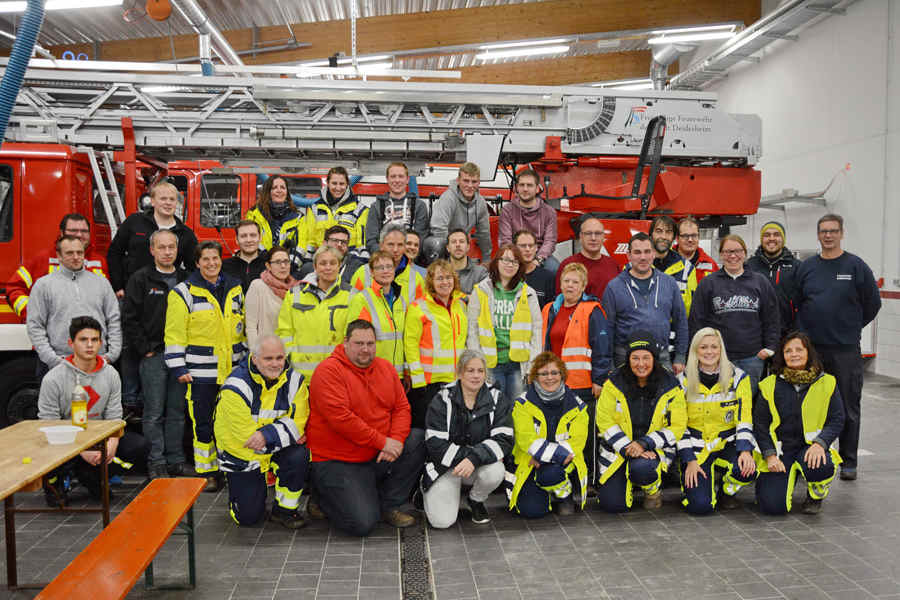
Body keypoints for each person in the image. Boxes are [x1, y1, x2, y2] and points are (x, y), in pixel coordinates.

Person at [307, 320, 425, 536]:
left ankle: (389, 504)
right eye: (359, 343)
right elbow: (342, 420)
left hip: (376, 454)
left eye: (370, 343)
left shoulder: (385, 368)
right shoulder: (328, 372)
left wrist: (396, 440)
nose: (365, 349)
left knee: (417, 439)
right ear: (345, 343)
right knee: (362, 524)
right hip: (339, 460)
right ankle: (323, 497)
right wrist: (383, 442)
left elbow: (401, 408)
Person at [795, 214, 880, 481]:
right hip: (813, 351)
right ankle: (806, 456)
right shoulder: (807, 268)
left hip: (845, 350)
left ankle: (849, 461)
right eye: (823, 231)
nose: (828, 235)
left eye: (833, 231)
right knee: (807, 405)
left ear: (841, 233)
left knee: (847, 405)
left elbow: (872, 304)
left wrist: (851, 327)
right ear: (818, 235)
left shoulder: (856, 266)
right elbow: (796, 302)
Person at [38, 316, 148, 506]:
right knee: (44, 450)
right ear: (71, 343)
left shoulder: (111, 375)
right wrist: (80, 449)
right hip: (64, 442)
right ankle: (55, 485)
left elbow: (114, 417)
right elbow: (49, 424)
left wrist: (112, 444)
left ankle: (93, 478)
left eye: (94, 340)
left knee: (139, 446)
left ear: (100, 343)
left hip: (98, 439)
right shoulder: (53, 379)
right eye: (83, 340)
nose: (89, 345)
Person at [164, 241, 246, 492]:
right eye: (206, 259)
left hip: (233, 371)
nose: (211, 263)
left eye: (215, 258)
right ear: (197, 263)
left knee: (231, 422)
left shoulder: (235, 288)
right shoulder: (183, 292)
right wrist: (178, 367)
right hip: (200, 373)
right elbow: (174, 334)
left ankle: (230, 468)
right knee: (202, 424)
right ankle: (207, 471)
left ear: (222, 260)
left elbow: (240, 330)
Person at [215, 335, 310, 529]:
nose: (275, 364)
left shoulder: (295, 381)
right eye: (268, 359)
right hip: (244, 456)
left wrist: (266, 435)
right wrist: (284, 432)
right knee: (248, 518)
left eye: (279, 358)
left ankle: (284, 510)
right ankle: (241, 498)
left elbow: (298, 422)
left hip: (270, 449)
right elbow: (248, 438)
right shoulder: (235, 387)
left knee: (299, 455)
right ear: (255, 358)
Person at [754, 332, 845, 515]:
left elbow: (837, 418)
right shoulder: (769, 384)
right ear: (782, 355)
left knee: (821, 465)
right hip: (781, 450)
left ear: (808, 353)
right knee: (772, 507)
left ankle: (815, 492)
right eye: (788, 351)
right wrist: (770, 455)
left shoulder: (827, 382)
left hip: (810, 448)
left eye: (799, 349)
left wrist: (821, 444)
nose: (793, 354)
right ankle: (783, 479)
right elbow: (761, 425)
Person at [595, 331, 687, 512]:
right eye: (635, 358)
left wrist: (644, 443)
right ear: (628, 359)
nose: (641, 364)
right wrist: (630, 446)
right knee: (612, 505)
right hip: (619, 449)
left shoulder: (670, 384)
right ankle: (626, 481)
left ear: (654, 358)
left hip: (653, 449)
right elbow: (604, 420)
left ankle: (652, 491)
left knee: (642, 468)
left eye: (646, 357)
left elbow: (677, 425)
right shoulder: (613, 382)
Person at [122, 230, 188, 479]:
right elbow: (129, 319)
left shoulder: (186, 279)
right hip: (155, 356)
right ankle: (156, 461)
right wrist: (145, 349)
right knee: (153, 412)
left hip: (180, 357)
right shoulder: (141, 279)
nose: (167, 252)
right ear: (152, 250)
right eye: (162, 247)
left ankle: (175, 459)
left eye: (171, 247)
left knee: (177, 411)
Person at [423, 350, 513, 527]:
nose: (476, 375)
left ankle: (476, 499)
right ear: (460, 372)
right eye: (470, 370)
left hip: (477, 464)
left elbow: (504, 439)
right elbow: (435, 444)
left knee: (496, 470)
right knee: (441, 522)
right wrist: (469, 457)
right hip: (446, 466)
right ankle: (428, 488)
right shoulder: (442, 398)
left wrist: (473, 458)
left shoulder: (497, 398)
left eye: (480, 371)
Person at [542, 262, 610, 483]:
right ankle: (565, 477)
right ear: (560, 284)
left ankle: (589, 479)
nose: (570, 285)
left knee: (585, 436)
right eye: (566, 281)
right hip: (553, 385)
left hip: (583, 384)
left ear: (583, 286)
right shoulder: (549, 309)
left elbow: (602, 347)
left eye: (575, 282)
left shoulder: (592, 310)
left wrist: (599, 379)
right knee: (559, 433)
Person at [689, 234, 780, 396]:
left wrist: (769, 348)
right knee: (720, 402)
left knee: (748, 403)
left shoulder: (760, 282)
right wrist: (702, 353)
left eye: (737, 251)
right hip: (718, 358)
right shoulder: (708, 283)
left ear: (745, 253)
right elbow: (697, 320)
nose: (733, 256)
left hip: (752, 358)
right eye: (727, 251)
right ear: (721, 254)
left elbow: (772, 318)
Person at [678, 328, 756, 514]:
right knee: (700, 508)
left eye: (714, 346)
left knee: (747, 470)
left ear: (721, 350)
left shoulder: (738, 378)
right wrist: (689, 460)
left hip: (727, 443)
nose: (709, 352)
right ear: (695, 351)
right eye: (703, 347)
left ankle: (727, 492)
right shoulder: (681, 381)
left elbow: (744, 417)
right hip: (697, 448)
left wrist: (745, 451)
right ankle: (697, 486)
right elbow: (678, 426)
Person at [505, 352, 588, 517]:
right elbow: (525, 439)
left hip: (563, 463)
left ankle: (564, 494)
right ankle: (549, 492)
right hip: (530, 463)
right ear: (535, 377)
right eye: (543, 373)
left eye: (554, 373)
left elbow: (577, 440)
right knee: (533, 511)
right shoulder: (522, 404)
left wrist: (545, 456)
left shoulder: (578, 406)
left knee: (551, 473)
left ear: (562, 375)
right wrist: (546, 455)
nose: (549, 378)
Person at [27, 235, 121, 376]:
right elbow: (35, 326)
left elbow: (114, 320)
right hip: (58, 366)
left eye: (80, 252)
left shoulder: (101, 283)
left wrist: (110, 356)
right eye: (69, 253)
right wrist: (53, 360)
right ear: (59, 256)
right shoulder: (43, 285)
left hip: (97, 364)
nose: (76, 257)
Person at [602, 232, 688, 374]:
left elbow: (681, 322)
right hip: (625, 360)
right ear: (628, 255)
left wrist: (680, 356)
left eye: (647, 252)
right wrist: (609, 365)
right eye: (637, 252)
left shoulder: (669, 283)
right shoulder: (614, 287)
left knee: (666, 396)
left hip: (662, 358)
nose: (643, 257)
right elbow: (606, 329)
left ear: (653, 253)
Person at [467, 244, 542, 400]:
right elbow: (472, 330)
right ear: (497, 262)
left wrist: (533, 366)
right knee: (493, 410)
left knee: (516, 411)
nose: (510, 264)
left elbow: (537, 332)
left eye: (515, 262)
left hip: (518, 365)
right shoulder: (481, 291)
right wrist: (477, 362)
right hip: (490, 364)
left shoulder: (528, 293)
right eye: (506, 260)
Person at [5, 212, 108, 320]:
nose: (79, 235)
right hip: (48, 332)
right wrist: (34, 314)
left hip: (89, 332)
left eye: (84, 231)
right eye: (73, 231)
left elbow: (109, 301)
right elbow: (14, 288)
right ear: (62, 233)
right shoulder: (41, 260)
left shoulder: (101, 262)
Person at [405, 259, 468, 429]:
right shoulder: (418, 307)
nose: (445, 282)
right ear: (431, 281)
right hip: (429, 384)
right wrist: (418, 380)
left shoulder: (461, 306)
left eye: (448, 277)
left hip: (456, 381)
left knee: (451, 429)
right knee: (429, 429)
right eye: (439, 278)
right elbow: (410, 345)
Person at [107, 181, 197, 298]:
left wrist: (184, 291)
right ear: (153, 201)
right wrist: (118, 286)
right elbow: (114, 253)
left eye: (172, 199)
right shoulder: (134, 222)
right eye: (163, 199)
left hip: (168, 295)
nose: (168, 203)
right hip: (133, 292)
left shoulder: (186, 234)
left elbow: (193, 267)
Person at [277, 245, 353, 380]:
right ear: (315, 266)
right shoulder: (295, 294)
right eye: (323, 263)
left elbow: (354, 337)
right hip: (300, 375)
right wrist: (291, 356)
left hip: (338, 374)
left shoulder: (352, 295)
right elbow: (284, 331)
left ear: (340, 266)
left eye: (333, 263)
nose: (328, 267)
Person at [347, 251, 407, 378]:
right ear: (372, 273)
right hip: (372, 373)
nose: (386, 271)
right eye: (380, 268)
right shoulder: (362, 299)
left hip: (398, 374)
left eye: (389, 267)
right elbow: (355, 340)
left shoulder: (400, 300)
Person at [301, 166, 370, 266]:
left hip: (348, 264)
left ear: (347, 185)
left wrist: (356, 266)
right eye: (334, 183)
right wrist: (307, 265)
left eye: (342, 184)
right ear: (327, 183)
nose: (338, 188)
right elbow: (310, 242)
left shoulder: (360, 210)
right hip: (322, 264)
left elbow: (362, 244)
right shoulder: (315, 209)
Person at [746, 220, 801, 337]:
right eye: (767, 235)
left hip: (788, 334)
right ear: (761, 239)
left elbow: (804, 301)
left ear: (783, 239)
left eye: (776, 235)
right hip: (756, 334)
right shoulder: (749, 266)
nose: (771, 238)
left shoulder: (797, 267)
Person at [428, 162, 493, 261]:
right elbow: (438, 229)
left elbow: (484, 233)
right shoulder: (448, 198)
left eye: (474, 181)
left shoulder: (481, 203)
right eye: (466, 181)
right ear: (458, 180)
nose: (470, 185)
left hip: (462, 245)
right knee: (434, 243)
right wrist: (452, 254)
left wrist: (487, 259)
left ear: (479, 182)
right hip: (444, 245)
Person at [351, 223, 427, 306]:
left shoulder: (416, 279)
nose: (395, 249)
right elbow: (352, 308)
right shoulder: (362, 273)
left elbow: (420, 314)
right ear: (381, 246)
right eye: (390, 244)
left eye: (400, 245)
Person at [498, 169, 559, 272]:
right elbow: (505, 240)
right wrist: (516, 259)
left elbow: (550, 241)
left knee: (555, 269)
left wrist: (538, 260)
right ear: (517, 188)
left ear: (537, 189)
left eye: (529, 185)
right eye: (522, 185)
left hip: (540, 254)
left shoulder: (549, 212)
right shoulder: (507, 211)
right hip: (514, 254)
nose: (525, 189)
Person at [364, 162, 429, 255]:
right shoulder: (376, 206)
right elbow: (371, 241)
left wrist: (404, 257)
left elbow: (421, 239)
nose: (397, 180)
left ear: (407, 179)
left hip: (410, 257)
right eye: (393, 176)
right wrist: (386, 256)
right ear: (387, 179)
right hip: (384, 258)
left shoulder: (419, 206)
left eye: (401, 176)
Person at [245, 246, 298, 352]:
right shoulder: (258, 286)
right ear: (268, 266)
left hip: (290, 354)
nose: (283, 266)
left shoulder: (296, 290)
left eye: (286, 261)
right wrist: (256, 355)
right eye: (277, 262)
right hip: (265, 354)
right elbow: (251, 327)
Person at [555, 215, 618, 299]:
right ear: (581, 237)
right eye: (588, 233)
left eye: (598, 233)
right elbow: (560, 303)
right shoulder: (568, 265)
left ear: (603, 237)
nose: (593, 238)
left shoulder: (613, 265)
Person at [245, 175, 303, 257]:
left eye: (282, 187)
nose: (279, 190)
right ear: (267, 192)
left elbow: (302, 244)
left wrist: (290, 263)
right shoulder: (253, 215)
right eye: (274, 188)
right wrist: (266, 260)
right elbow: (251, 241)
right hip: (260, 263)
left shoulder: (298, 217)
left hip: (286, 264)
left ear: (287, 192)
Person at [650, 215, 697, 315]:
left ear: (674, 237)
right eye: (659, 231)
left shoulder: (687, 269)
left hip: (675, 329)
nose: (663, 237)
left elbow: (692, 309)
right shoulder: (635, 266)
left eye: (668, 232)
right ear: (651, 235)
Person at [222, 219, 267, 293]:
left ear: (260, 238)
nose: (248, 240)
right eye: (243, 236)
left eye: (253, 235)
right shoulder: (224, 266)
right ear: (236, 240)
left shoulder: (270, 265)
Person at [513, 229, 556, 308]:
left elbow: (551, 311)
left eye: (531, 245)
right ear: (514, 248)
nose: (528, 249)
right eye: (523, 246)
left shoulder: (548, 277)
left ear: (536, 248)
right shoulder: (507, 276)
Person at [446, 228, 488, 295]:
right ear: (448, 248)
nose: (458, 245)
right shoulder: (438, 272)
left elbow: (484, 300)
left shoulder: (480, 273)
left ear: (468, 247)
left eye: (461, 241)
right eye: (453, 242)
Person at [676, 216, 718, 281]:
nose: (690, 240)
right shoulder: (665, 262)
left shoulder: (711, 265)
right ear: (677, 239)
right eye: (685, 236)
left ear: (699, 237)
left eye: (694, 235)